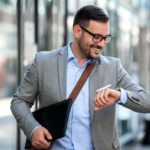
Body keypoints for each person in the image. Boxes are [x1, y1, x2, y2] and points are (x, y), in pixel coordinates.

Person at [11, 5, 150, 150]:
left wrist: (120, 96)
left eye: (105, 38)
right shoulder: (43, 62)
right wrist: (33, 129)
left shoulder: (113, 67)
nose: (102, 44)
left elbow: (147, 101)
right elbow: (19, 101)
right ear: (77, 31)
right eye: (97, 37)